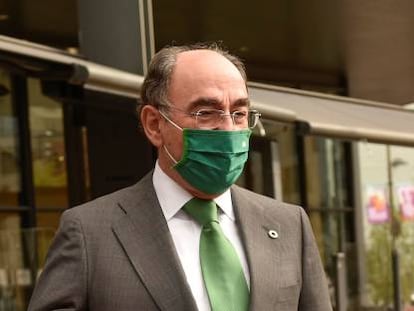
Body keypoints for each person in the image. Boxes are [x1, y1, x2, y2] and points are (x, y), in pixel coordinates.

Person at [28, 43, 332, 311]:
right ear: (154, 125)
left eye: (239, 113)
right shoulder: (90, 233)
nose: (228, 129)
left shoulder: (289, 225)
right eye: (206, 113)